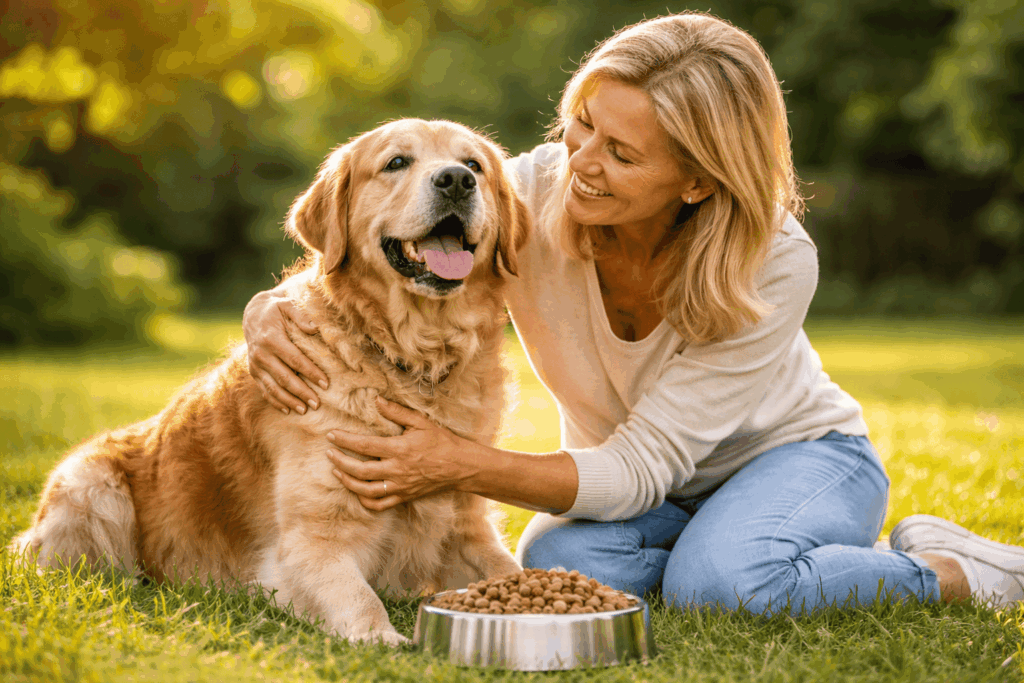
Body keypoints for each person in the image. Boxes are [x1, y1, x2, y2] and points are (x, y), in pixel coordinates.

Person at [242, 11, 1024, 613]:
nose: (579, 165)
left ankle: (955, 570)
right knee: (559, 575)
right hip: (636, 483)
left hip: (795, 456)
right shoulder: (533, 190)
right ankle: (728, 546)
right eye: (582, 126)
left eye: (620, 153)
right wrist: (267, 309)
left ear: (696, 180)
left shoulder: (775, 258)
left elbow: (643, 464)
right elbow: (383, 218)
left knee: (726, 583)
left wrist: (453, 461)